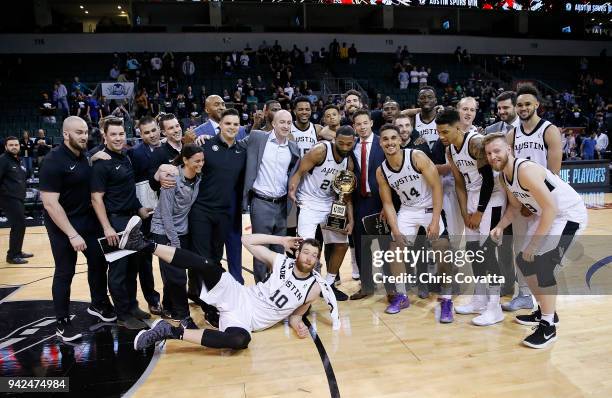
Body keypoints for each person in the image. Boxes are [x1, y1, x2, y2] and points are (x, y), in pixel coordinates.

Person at [120, 224, 339, 351]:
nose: (310, 258)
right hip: (239, 295)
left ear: (318, 260)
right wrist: (281, 240)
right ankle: (143, 244)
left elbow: (296, 315)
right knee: (205, 264)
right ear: (298, 252)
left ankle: (169, 331)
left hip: (246, 320)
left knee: (239, 341)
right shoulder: (281, 261)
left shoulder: (315, 287)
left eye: (314, 255)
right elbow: (247, 240)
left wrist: (296, 324)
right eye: (306, 252)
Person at [484, 132, 587, 348]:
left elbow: (551, 207)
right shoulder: (504, 176)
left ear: (508, 150)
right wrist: (500, 226)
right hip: (547, 215)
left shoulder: (525, 171)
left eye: (497, 151)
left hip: (568, 215)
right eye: (488, 153)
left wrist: (534, 244)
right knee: (523, 261)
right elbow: (514, 207)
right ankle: (544, 310)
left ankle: (548, 327)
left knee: (542, 265)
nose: (493, 156)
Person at [39, 116, 115, 342]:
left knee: (99, 260)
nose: (84, 136)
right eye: (79, 133)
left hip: (86, 220)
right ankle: (62, 322)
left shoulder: (84, 156)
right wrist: (72, 234)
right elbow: (50, 204)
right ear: (66, 134)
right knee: (65, 271)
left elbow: (83, 170)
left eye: (85, 132)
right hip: (62, 225)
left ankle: (98, 303)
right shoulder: (53, 161)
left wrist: (93, 156)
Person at [376, 125, 454, 321]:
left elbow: (437, 186)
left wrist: (435, 220)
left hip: (429, 207)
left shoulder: (416, 157)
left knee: (442, 251)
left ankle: (446, 299)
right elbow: (387, 203)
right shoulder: (382, 171)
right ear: (380, 143)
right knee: (395, 249)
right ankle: (401, 295)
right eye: (385, 139)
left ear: (400, 140)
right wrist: (395, 230)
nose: (390, 142)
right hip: (408, 210)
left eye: (393, 138)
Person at [437, 107, 507, 326]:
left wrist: (479, 211)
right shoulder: (450, 150)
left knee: (487, 252)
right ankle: (479, 300)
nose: (441, 136)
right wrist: (465, 209)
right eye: (438, 132)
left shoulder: (475, 142)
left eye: (445, 132)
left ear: (458, 127)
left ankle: (495, 308)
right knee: (473, 250)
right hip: (472, 199)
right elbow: (459, 183)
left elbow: (488, 180)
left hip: (492, 197)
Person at [505, 83, 563, 311]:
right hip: (522, 200)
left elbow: (554, 174)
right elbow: (508, 168)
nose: (523, 108)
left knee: (539, 250)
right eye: (519, 104)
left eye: (527, 104)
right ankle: (524, 294)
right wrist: (521, 202)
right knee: (520, 248)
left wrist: (536, 202)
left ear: (537, 105)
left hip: (543, 199)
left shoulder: (549, 130)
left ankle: (545, 304)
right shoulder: (512, 134)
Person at [91, 116, 152, 330]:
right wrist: (107, 227)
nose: (118, 138)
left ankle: (132, 306)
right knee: (118, 270)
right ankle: (123, 315)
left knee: (132, 267)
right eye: (113, 135)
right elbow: (96, 198)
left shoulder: (125, 156)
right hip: (115, 221)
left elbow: (128, 190)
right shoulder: (101, 163)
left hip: (131, 219)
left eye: (121, 134)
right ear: (105, 136)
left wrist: (139, 208)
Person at [288, 126, 357, 301]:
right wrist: (292, 191)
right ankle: (303, 285)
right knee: (306, 249)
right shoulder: (320, 151)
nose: (344, 146)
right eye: (340, 142)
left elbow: (346, 194)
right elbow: (299, 172)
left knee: (341, 245)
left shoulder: (348, 162)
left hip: (331, 205)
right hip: (309, 204)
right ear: (335, 140)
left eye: (348, 143)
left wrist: (351, 220)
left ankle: (328, 284)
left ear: (353, 142)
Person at [242, 110, 300, 283]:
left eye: (289, 123)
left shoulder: (293, 147)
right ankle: (261, 287)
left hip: (283, 204)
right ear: (273, 124)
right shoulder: (257, 138)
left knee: (280, 248)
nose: (286, 126)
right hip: (261, 202)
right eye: (282, 122)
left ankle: (276, 286)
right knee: (260, 249)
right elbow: (234, 146)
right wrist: (204, 139)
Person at [151, 144, 203, 328]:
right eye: (197, 161)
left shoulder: (197, 178)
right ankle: (183, 317)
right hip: (164, 231)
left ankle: (168, 306)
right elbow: (165, 214)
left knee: (173, 273)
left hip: (183, 230)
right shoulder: (172, 179)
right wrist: (174, 241)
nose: (200, 164)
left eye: (202, 160)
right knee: (177, 275)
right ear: (185, 160)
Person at [484, 90, 521, 299]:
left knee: (523, 242)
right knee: (503, 241)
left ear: (515, 106)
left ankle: (527, 285)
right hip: (499, 193)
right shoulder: (491, 130)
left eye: (506, 107)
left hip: (520, 188)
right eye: (499, 108)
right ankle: (507, 284)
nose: (502, 111)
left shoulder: (523, 130)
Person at [349, 110, 386, 300]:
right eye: (358, 124)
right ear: (354, 126)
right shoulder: (352, 146)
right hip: (359, 200)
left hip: (381, 200)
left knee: (385, 245)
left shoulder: (383, 142)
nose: (362, 127)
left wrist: (389, 205)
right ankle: (366, 285)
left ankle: (391, 287)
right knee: (362, 244)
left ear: (371, 123)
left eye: (365, 123)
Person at [127, 116, 163, 316]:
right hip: (145, 213)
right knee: (145, 260)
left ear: (159, 129)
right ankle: (153, 299)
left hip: (167, 212)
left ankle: (178, 296)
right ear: (140, 135)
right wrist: (138, 207)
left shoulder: (168, 149)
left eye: (154, 130)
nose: (152, 134)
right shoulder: (133, 154)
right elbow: (128, 184)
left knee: (171, 256)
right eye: (147, 132)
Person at [0, 136, 31, 264]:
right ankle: (12, 256)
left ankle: (17, 252)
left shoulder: (18, 160)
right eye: (11, 145)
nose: (14, 147)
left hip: (18, 198)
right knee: (19, 225)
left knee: (19, 225)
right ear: (6, 147)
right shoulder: (3, 160)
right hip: (8, 198)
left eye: (16, 145)